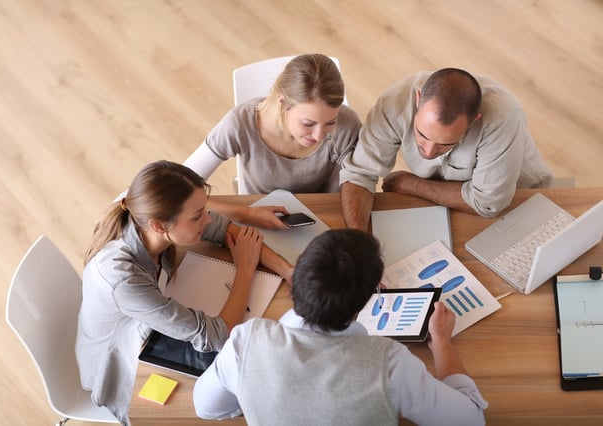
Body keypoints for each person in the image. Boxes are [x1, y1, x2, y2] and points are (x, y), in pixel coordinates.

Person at [193, 229, 487, 425]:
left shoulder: (245, 342)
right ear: (367, 298)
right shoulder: (390, 365)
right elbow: (471, 419)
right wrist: (442, 343)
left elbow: (206, 408)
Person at [75, 161, 293, 425]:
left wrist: (289, 271)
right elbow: (217, 335)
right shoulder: (122, 278)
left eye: (204, 210)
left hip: (148, 322)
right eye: (197, 216)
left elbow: (226, 230)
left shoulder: (141, 208)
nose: (208, 219)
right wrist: (244, 270)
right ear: (159, 226)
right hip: (121, 365)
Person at [340, 68, 553, 231]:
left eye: (446, 143)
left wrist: (412, 184)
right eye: (421, 134)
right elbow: (359, 174)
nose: (429, 152)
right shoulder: (392, 104)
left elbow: (489, 204)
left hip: (518, 196)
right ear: (418, 100)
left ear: (474, 121)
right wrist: (359, 240)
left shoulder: (502, 117)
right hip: (451, 197)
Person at [184, 53, 361, 229]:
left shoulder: (347, 125)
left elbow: (339, 197)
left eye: (330, 122)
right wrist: (245, 213)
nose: (318, 136)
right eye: (308, 123)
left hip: (319, 218)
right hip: (255, 217)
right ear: (283, 103)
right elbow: (176, 187)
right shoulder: (240, 123)